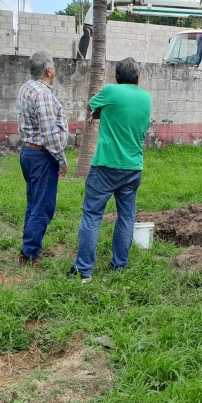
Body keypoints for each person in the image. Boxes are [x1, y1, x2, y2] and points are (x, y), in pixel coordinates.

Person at [70, 57, 152, 283]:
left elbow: (91, 106)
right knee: (126, 217)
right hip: (133, 167)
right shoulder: (146, 98)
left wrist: (101, 113)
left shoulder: (110, 91)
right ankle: (119, 266)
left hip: (106, 166)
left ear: (117, 77)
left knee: (92, 215)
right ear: (137, 78)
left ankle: (84, 271)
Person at [16, 51, 69, 265]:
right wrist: (61, 158)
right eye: (53, 66)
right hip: (41, 155)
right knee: (42, 207)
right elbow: (49, 134)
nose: (54, 69)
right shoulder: (43, 94)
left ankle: (32, 247)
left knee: (33, 203)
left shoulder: (27, 87)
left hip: (29, 153)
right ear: (49, 70)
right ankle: (28, 253)